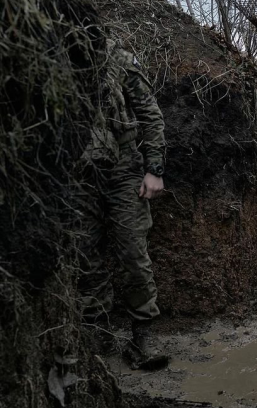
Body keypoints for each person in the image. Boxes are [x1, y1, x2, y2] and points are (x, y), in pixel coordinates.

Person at [76, 39, 167, 369]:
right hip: (78, 174)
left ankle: (142, 338)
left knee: (132, 252)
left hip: (122, 169)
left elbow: (151, 115)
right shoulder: (52, 50)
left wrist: (154, 170)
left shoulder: (115, 54)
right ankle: (98, 337)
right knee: (85, 257)